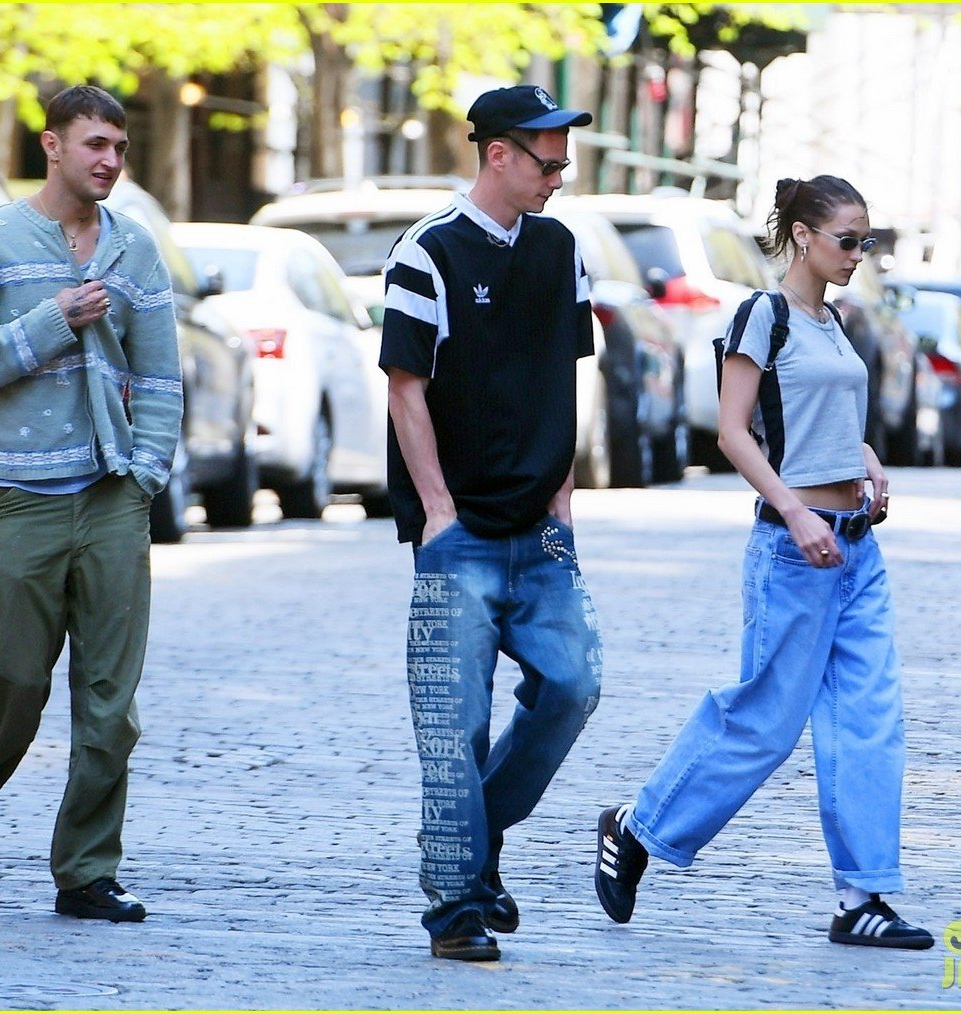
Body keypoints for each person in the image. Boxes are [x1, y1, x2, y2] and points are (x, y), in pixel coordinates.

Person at [593, 175, 934, 950]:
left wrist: (870, 465)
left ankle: (863, 899)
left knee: (869, 720)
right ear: (805, 236)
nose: (858, 254)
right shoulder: (764, 315)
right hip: (794, 549)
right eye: (848, 240)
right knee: (766, 723)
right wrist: (792, 509)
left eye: (867, 241)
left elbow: (831, 422)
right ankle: (637, 825)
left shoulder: (834, 321)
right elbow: (735, 431)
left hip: (856, 546)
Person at [0, 85, 182, 923]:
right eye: (95, 144)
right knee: (13, 686)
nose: (109, 160)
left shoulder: (136, 251)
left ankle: (86, 872)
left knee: (111, 705)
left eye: (119, 147)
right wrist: (53, 320)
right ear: (52, 146)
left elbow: (161, 376)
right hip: (20, 499)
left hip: (111, 497)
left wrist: (144, 473)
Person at [380, 84, 604, 962]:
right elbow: (406, 388)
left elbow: (565, 376)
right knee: (454, 725)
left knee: (575, 685)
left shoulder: (561, 250)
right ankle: (455, 911)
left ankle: (480, 837)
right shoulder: (425, 254)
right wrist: (436, 510)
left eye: (564, 160)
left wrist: (566, 499)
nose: (560, 175)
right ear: (497, 154)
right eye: (547, 159)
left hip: (544, 532)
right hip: (458, 534)